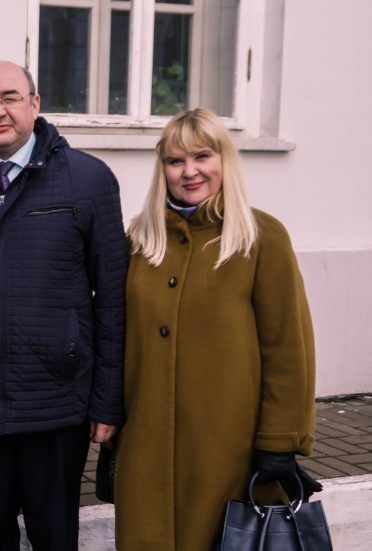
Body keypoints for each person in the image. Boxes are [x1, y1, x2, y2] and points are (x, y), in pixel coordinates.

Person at [0, 60, 127, 550]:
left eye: (10, 97)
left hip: (57, 398)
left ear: (35, 104)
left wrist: (108, 400)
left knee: (55, 534)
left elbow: (112, 300)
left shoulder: (89, 180)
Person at [114, 107, 317, 550]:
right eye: (175, 161)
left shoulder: (261, 237)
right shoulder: (141, 239)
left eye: (202, 156)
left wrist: (280, 441)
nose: (190, 172)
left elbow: (288, 347)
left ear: (224, 160)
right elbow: (119, 336)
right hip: (145, 444)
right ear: (162, 168)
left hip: (230, 450)